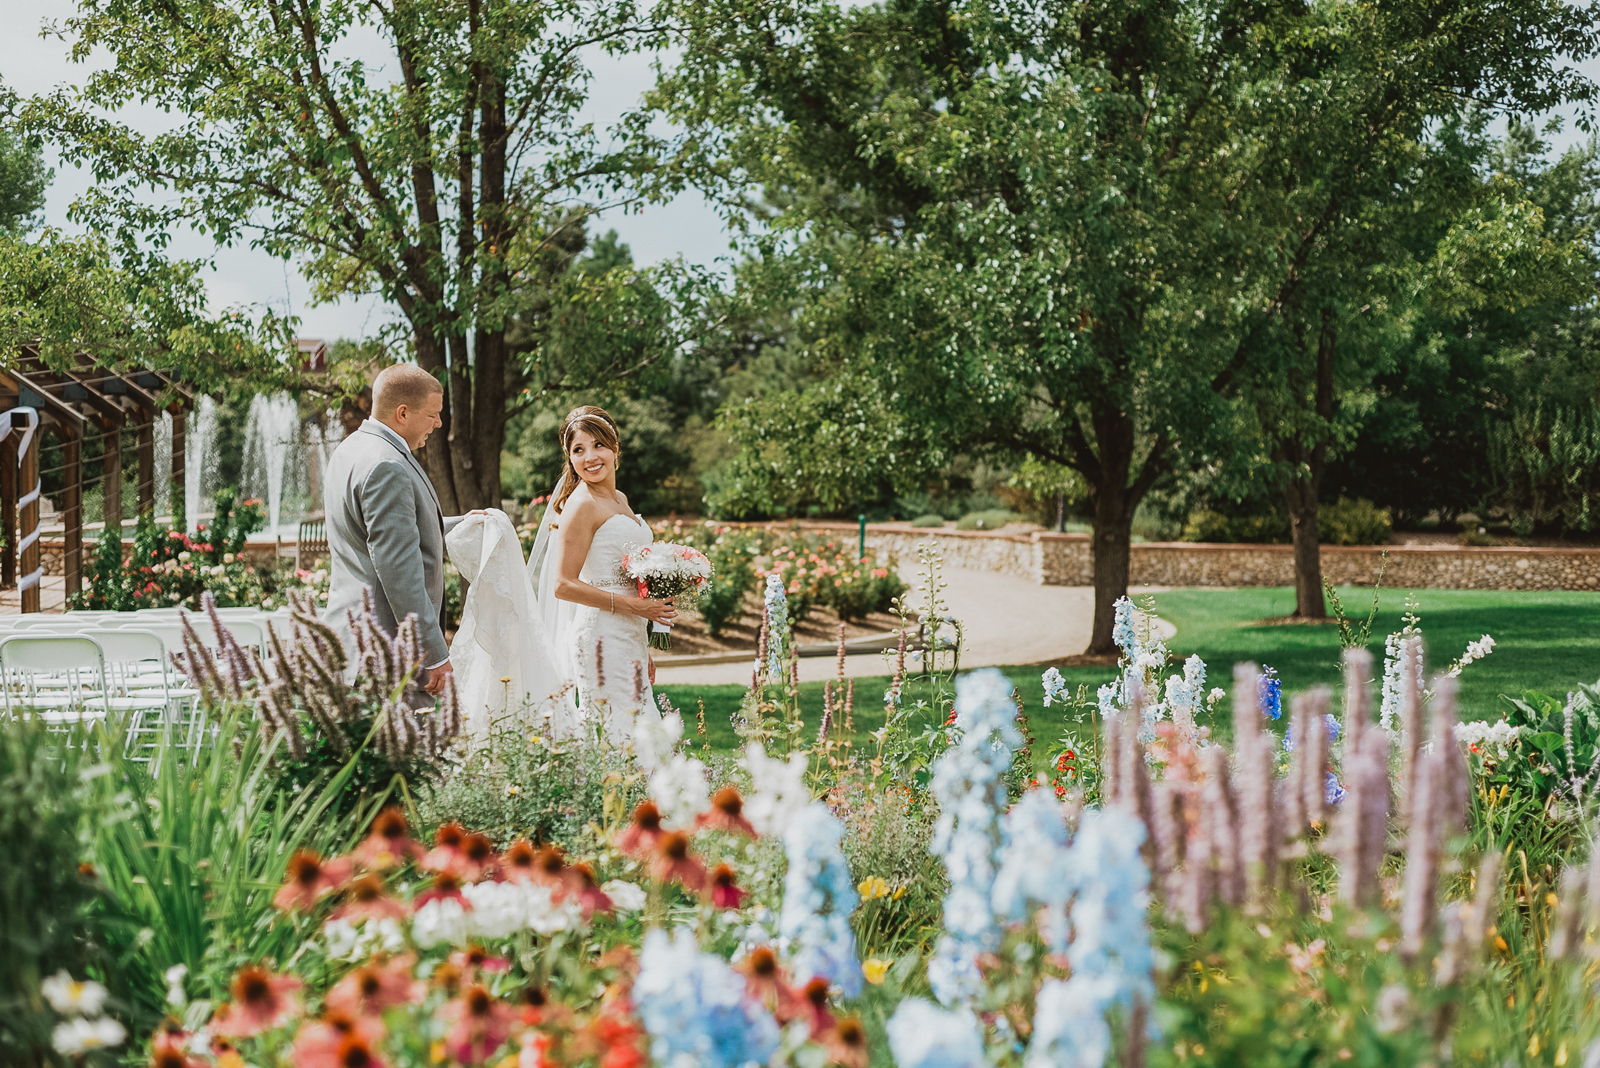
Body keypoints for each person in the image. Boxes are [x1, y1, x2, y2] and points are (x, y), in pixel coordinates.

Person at [527, 406, 676, 740]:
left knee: (640, 733)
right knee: (617, 734)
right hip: (601, 637)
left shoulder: (619, 498)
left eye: (598, 445)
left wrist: (645, 645)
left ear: (615, 448)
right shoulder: (582, 504)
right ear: (570, 459)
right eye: (578, 450)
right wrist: (638, 608)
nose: (590, 457)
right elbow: (563, 585)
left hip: (630, 636)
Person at [322, 365, 465, 699]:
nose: (439, 423)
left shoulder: (352, 448)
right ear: (403, 413)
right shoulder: (388, 465)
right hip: (385, 649)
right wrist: (432, 651)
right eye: (433, 414)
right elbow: (398, 567)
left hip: (356, 638)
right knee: (399, 749)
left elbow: (397, 532)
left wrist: (468, 524)